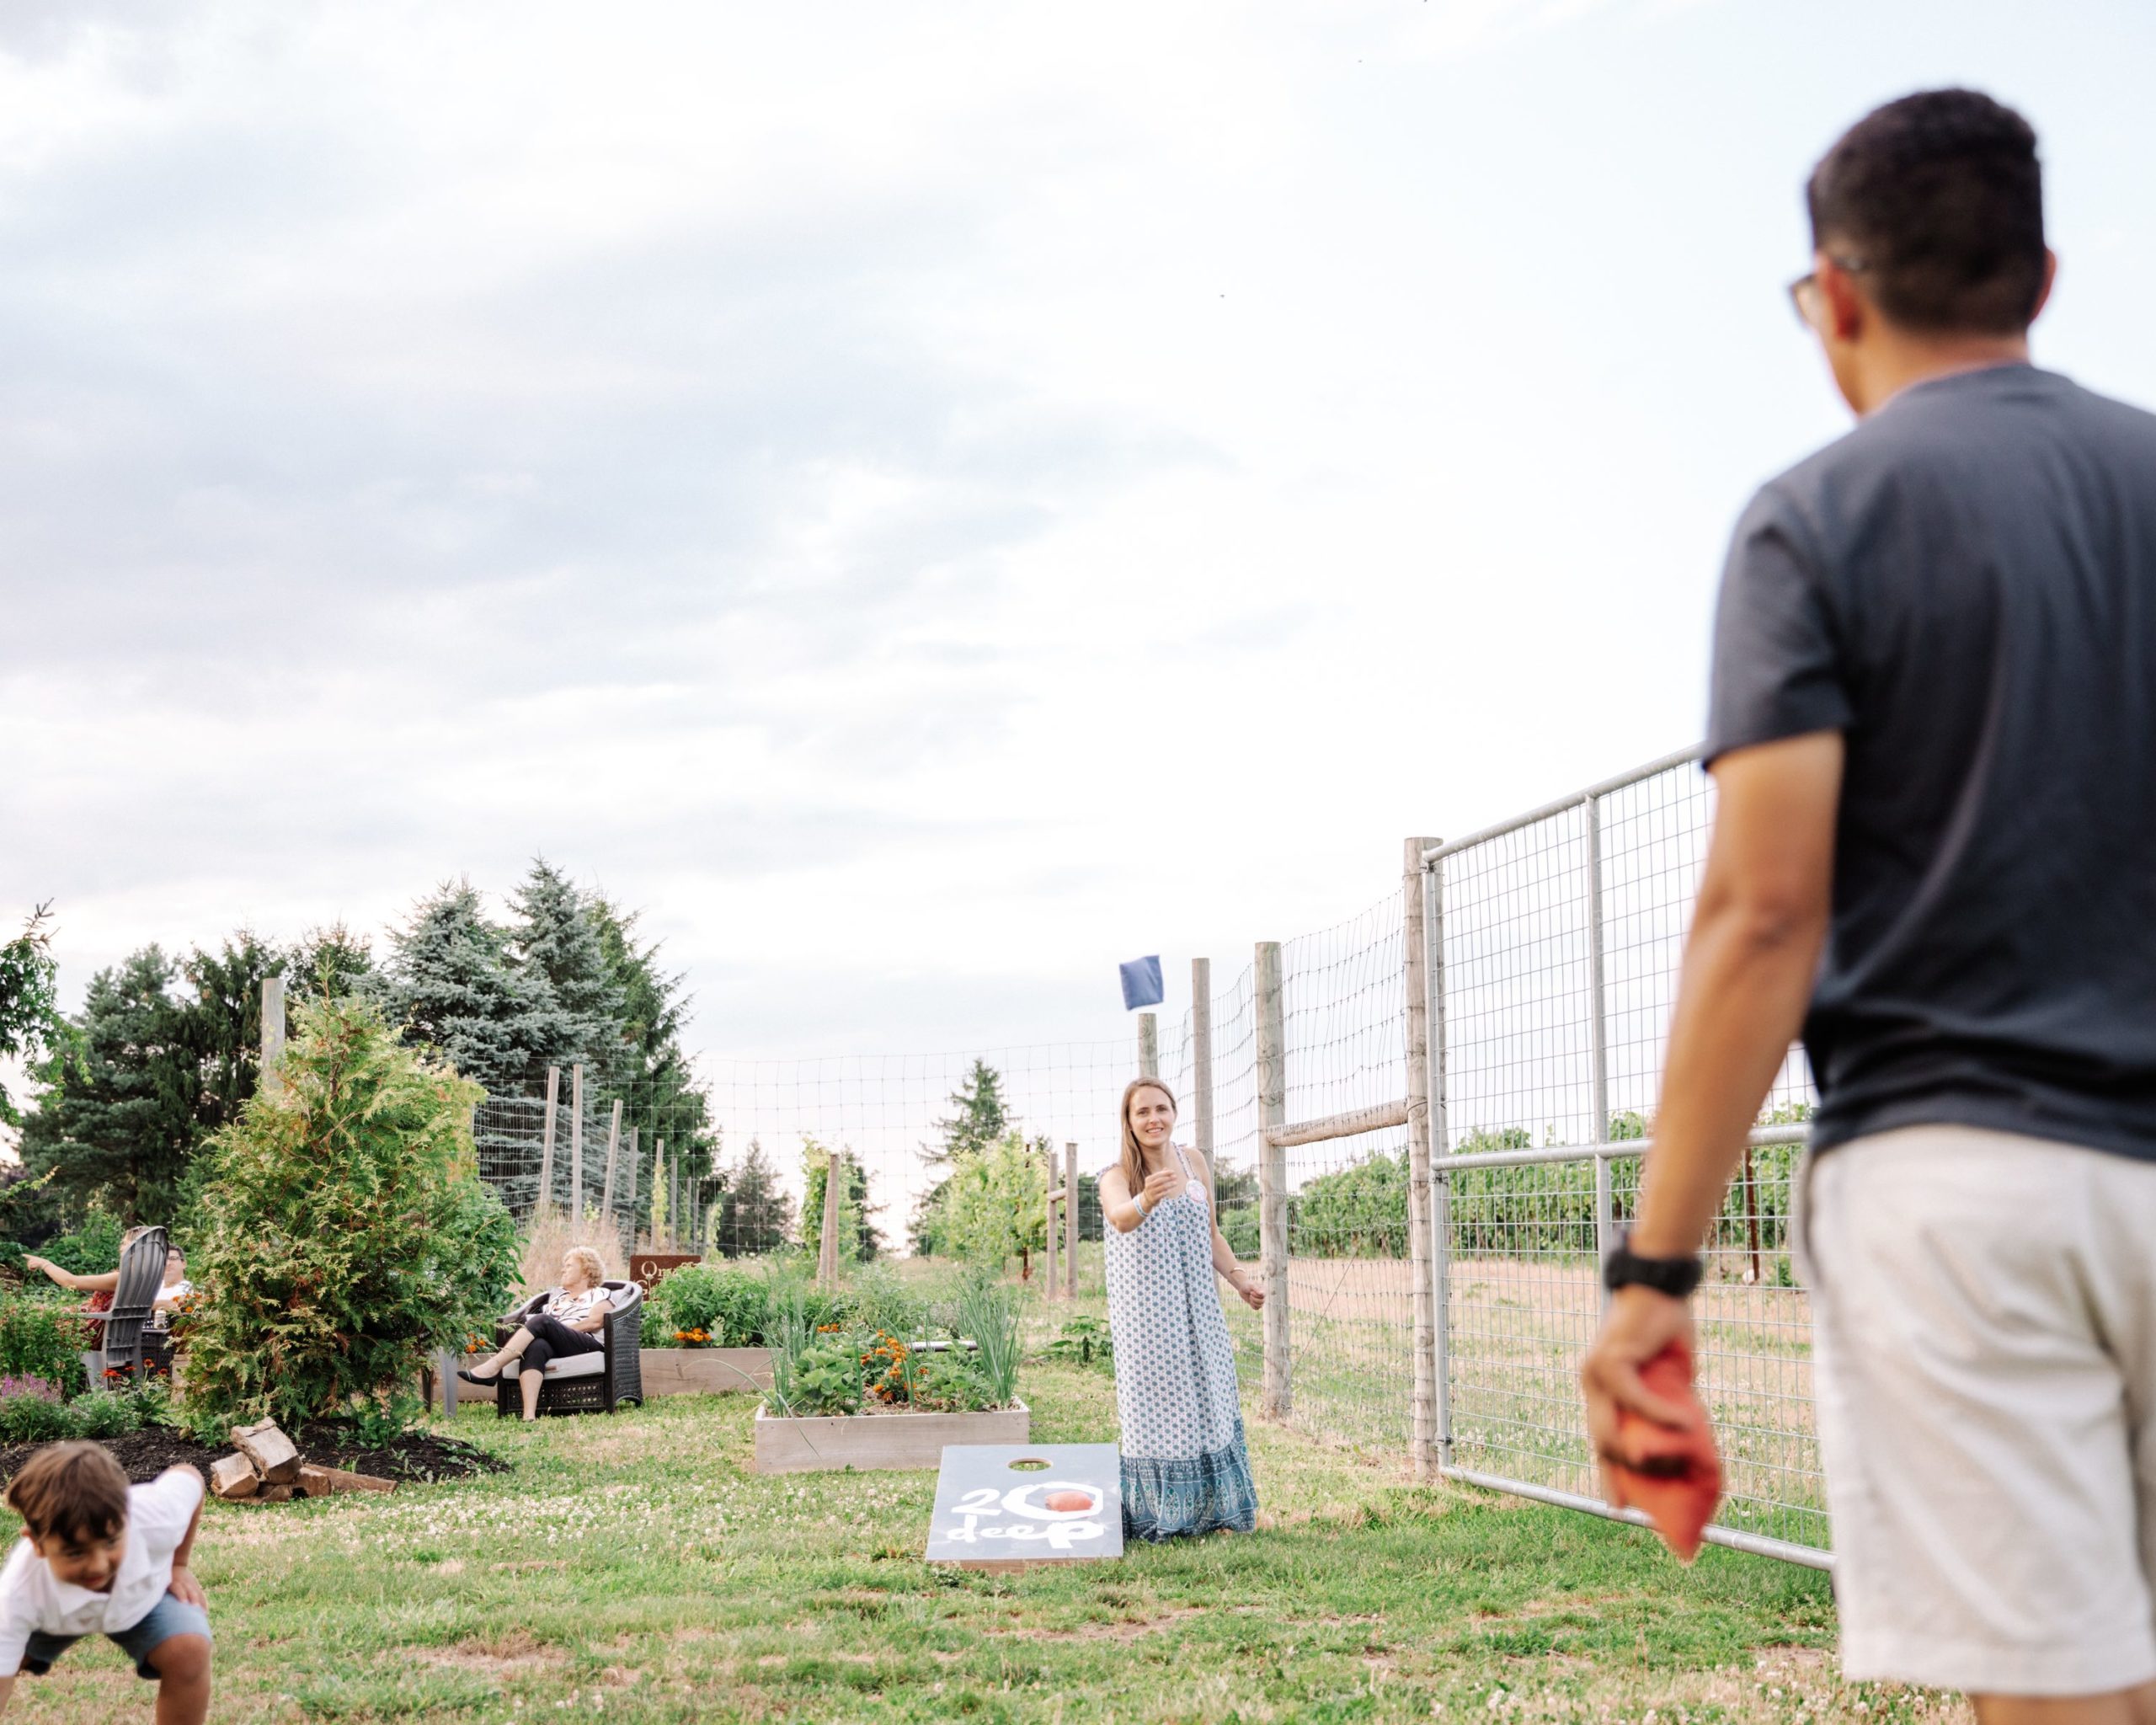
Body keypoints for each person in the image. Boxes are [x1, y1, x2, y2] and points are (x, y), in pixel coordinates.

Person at [1578, 88, 2156, 1723]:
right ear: (2038, 278)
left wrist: (1653, 1279)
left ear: (1832, 295)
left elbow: (1762, 916)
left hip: (1958, 1188)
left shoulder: (1813, 523)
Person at [1098, 1078, 1264, 1541]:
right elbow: (1120, 1218)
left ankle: (1214, 1512)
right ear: (1129, 1122)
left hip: (1201, 1312)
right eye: (1142, 1112)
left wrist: (1240, 1281)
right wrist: (1146, 1198)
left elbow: (1212, 1234)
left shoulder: (1193, 1163)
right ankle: (1160, 1516)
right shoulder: (1117, 1175)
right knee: (1160, 1411)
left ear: (1174, 1113)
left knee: (1210, 1402)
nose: (1154, 1119)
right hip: (1150, 1320)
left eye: (1161, 1109)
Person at [0, 1443, 212, 1724]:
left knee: (190, 1649)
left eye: (111, 1541)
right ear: (37, 1544)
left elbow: (191, 1476)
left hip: (142, 1603)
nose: (99, 1565)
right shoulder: (19, 1590)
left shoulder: (155, 1514)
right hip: (50, 1619)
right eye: (76, 1552)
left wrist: (178, 1565)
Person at [458, 1247, 612, 1421]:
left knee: (543, 1321)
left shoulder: (599, 1294)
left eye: (569, 1266)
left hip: (585, 1344)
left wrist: (555, 1330)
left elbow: (595, 1322)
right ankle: (529, 1415)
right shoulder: (557, 1299)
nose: (563, 1269)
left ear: (586, 1272)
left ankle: (493, 1367)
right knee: (537, 1346)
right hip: (556, 1343)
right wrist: (550, 1332)